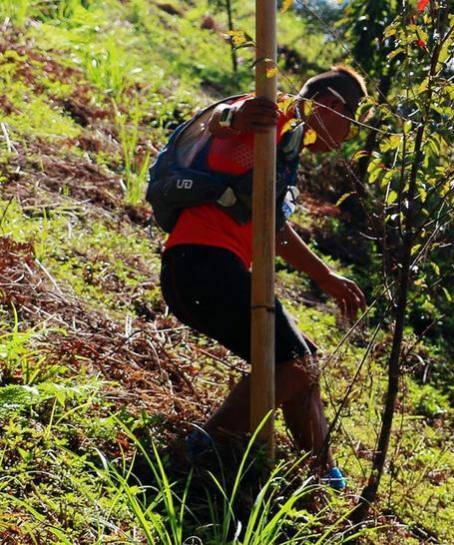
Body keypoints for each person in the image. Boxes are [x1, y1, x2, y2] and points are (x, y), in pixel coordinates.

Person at [158, 67, 368, 490]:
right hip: (202, 265)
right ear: (332, 106)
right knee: (294, 364)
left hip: (210, 269)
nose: (347, 138)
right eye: (351, 123)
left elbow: (269, 227)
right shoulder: (273, 119)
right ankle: (202, 446)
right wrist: (234, 118)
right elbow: (225, 121)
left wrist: (325, 276)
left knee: (303, 360)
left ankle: (324, 473)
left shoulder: (286, 146)